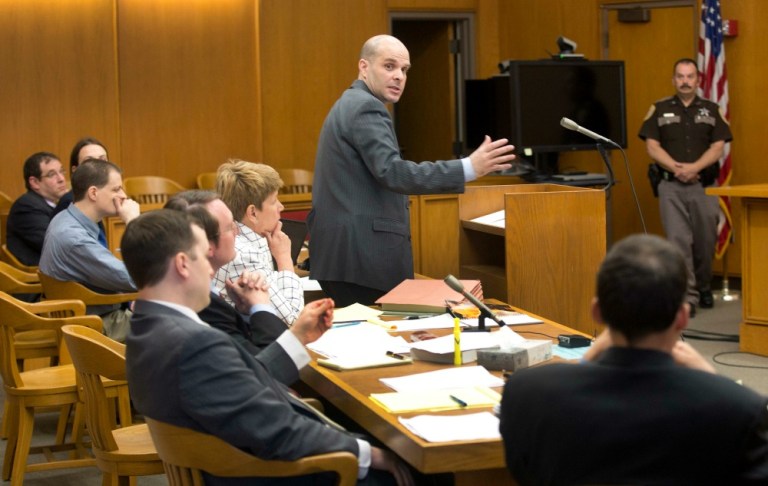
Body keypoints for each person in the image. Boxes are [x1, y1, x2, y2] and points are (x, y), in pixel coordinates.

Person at [122, 209, 413, 486]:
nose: (211, 271)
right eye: (203, 257)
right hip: (279, 473)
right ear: (183, 264)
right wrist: (367, 453)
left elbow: (241, 385)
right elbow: (276, 430)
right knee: (418, 466)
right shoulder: (193, 343)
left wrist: (296, 338)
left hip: (236, 463)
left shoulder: (145, 327)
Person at [499, 234, 768, 485]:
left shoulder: (527, 393)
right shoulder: (738, 409)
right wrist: (712, 380)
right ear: (683, 318)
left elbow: (524, 471)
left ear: (597, 312)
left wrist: (585, 363)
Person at [309, 34, 516, 306]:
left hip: (348, 258)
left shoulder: (351, 104)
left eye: (404, 70)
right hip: (361, 258)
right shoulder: (365, 107)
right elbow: (394, 173)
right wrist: (467, 168)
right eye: (389, 66)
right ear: (364, 67)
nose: (399, 76)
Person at [638, 58, 732, 313]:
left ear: (698, 80)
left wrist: (694, 168)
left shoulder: (712, 110)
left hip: (704, 185)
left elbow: (718, 147)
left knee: (705, 239)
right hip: (671, 187)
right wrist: (677, 168)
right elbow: (652, 146)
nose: (685, 81)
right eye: (680, 76)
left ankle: (703, 285)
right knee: (678, 241)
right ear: (673, 80)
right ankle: (687, 297)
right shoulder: (659, 108)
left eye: (690, 76)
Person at [165, 190, 288, 354]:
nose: (237, 232)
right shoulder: (200, 304)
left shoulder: (183, 292)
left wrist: (244, 311)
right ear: (206, 243)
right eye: (230, 227)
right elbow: (268, 367)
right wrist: (261, 306)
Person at [39, 159, 140, 342]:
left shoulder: (64, 218)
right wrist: (133, 222)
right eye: (116, 189)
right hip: (96, 326)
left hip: (86, 316)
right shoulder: (75, 239)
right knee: (182, 322)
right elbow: (137, 279)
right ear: (93, 193)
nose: (124, 195)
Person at [213, 160, 303, 325]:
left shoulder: (251, 239)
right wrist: (284, 258)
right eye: (274, 201)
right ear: (253, 212)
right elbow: (290, 321)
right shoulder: (244, 254)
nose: (281, 207)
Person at [6, 152, 68, 266]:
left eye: (61, 171)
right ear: (35, 182)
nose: (61, 179)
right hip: (38, 279)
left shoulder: (51, 205)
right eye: (52, 174)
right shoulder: (27, 206)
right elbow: (56, 245)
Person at [54, 137, 109, 216]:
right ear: (75, 169)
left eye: (102, 160)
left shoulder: (107, 197)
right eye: (89, 161)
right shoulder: (70, 202)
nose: (98, 166)